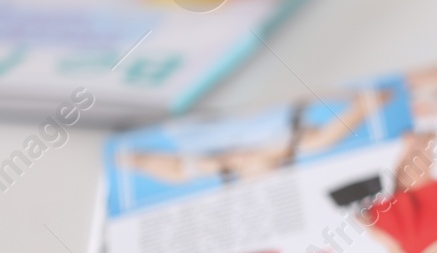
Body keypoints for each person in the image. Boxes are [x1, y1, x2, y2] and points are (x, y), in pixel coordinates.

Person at [119, 87, 394, 187]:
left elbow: (131, 160)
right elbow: (373, 97)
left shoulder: (196, 148)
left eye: (235, 172)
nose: (239, 163)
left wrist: (212, 166)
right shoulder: (302, 139)